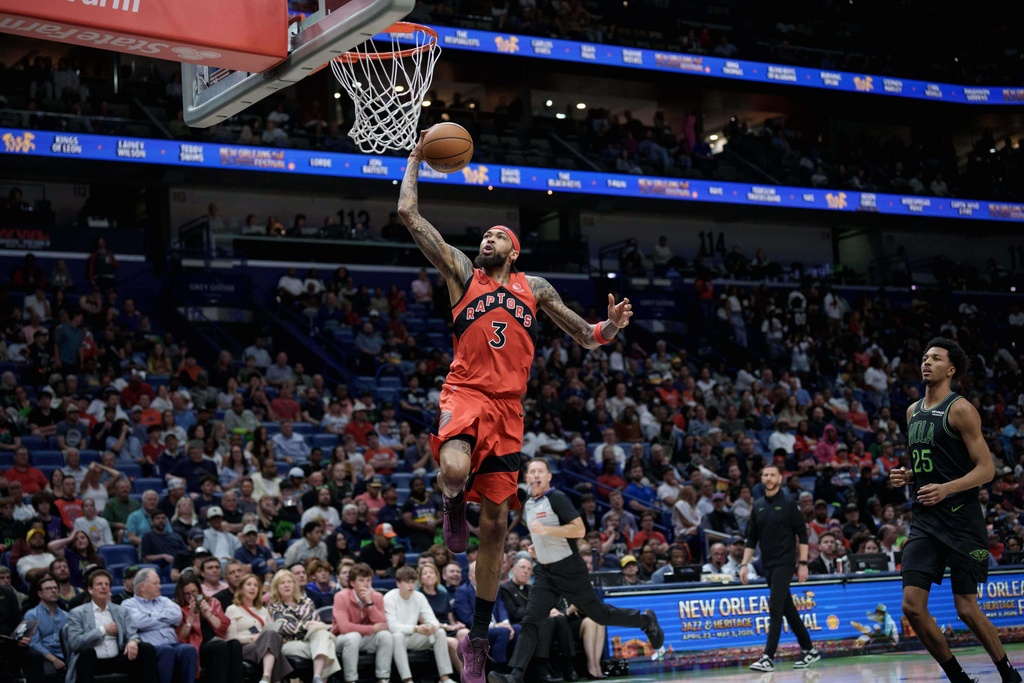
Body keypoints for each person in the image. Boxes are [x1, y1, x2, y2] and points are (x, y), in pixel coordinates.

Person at [399, 133, 634, 683]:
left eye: (495, 235)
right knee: (453, 468)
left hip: (508, 410)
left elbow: (585, 335)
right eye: (483, 235)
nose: (485, 238)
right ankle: (451, 499)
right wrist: (416, 158)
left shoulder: (536, 288)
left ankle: (478, 640)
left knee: (499, 526)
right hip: (465, 392)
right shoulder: (461, 272)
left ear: (513, 249)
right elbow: (408, 212)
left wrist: (611, 327)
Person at [890, 338, 1022, 683]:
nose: (926, 362)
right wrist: (909, 473)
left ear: (951, 370)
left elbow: (986, 469)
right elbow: (933, 461)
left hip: (962, 518)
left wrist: (946, 488)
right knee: (911, 607)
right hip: (925, 519)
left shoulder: (960, 408)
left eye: (935, 358)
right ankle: (958, 678)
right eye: (924, 357)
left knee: (966, 608)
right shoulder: (912, 411)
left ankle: (1008, 674)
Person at [488, 459, 662, 683]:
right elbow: (547, 538)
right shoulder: (530, 504)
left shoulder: (557, 498)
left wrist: (547, 531)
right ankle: (515, 676)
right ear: (527, 479)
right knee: (532, 621)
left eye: (541, 471)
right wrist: (537, 549)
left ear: (549, 477)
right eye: (532, 472)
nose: (536, 475)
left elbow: (579, 530)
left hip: (570, 569)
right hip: (546, 573)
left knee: (600, 614)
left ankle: (645, 621)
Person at [740, 464, 819, 672]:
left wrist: (802, 564)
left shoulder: (789, 504)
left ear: (780, 478)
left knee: (775, 606)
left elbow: (802, 535)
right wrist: (744, 564)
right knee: (788, 609)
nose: (768, 478)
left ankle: (768, 657)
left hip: (785, 563)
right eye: (764, 474)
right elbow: (751, 538)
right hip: (768, 564)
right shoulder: (757, 505)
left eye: (772, 475)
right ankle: (809, 650)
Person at [65, 568, 160, 683]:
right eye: (99, 584)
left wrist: (133, 641)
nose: (104, 587)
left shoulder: (120, 610)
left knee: (146, 648)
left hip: (117, 658)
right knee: (86, 653)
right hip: (94, 661)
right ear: (90, 589)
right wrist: (103, 630)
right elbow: (75, 643)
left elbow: (132, 632)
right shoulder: (77, 613)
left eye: (107, 584)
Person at [122, 567, 199, 683]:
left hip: (173, 644)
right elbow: (139, 622)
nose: (160, 586)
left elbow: (177, 616)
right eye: (155, 583)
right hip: (152, 648)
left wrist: (149, 616)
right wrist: (164, 618)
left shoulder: (164, 600)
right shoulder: (128, 604)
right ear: (143, 587)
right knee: (166, 650)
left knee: (189, 649)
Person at [266, 569, 341, 683]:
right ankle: (320, 679)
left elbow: (317, 623)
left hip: (311, 641)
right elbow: (282, 627)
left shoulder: (307, 602)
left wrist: (312, 625)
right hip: (289, 644)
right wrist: (305, 625)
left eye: (289, 582)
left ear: (294, 584)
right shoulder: (274, 606)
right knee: (327, 645)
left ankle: (317, 676)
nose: (287, 585)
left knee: (322, 634)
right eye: (282, 583)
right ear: (276, 587)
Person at [384, 565, 455, 683]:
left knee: (440, 632)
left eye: (413, 582)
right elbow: (392, 626)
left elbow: (433, 620)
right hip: (395, 640)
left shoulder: (419, 596)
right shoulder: (390, 597)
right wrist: (416, 628)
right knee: (397, 636)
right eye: (407, 582)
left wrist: (431, 627)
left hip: (413, 638)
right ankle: (407, 679)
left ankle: (445, 678)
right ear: (398, 583)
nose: (411, 585)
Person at [173, 572, 244, 683]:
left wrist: (208, 614)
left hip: (217, 641)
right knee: (220, 646)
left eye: (194, 592)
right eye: (187, 594)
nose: (191, 596)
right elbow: (181, 637)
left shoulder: (212, 602)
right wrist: (191, 617)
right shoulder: (177, 608)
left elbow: (222, 628)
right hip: (197, 646)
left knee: (235, 644)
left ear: (199, 590)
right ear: (181, 594)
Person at [332, 562, 395, 683]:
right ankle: (351, 680)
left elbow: (381, 625)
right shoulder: (341, 597)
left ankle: (383, 678)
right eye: (361, 580)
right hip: (341, 639)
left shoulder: (376, 597)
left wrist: (370, 604)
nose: (366, 584)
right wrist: (371, 629)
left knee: (386, 636)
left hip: (365, 639)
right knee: (353, 637)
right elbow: (344, 627)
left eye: (369, 580)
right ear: (352, 583)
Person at [225, 573, 293, 683]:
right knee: (275, 651)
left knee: (271, 635)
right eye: (249, 584)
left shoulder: (263, 610)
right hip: (243, 648)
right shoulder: (232, 609)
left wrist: (262, 638)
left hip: (263, 645)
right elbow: (230, 638)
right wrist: (252, 638)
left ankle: (266, 677)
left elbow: (271, 632)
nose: (253, 588)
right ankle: (271, 678)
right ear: (241, 588)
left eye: (256, 585)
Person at [23, 574, 69, 683]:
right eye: (48, 588)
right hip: (44, 657)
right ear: (40, 593)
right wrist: (54, 659)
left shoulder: (67, 615)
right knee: (50, 675)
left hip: (65, 655)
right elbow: (34, 643)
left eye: (55, 588)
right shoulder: (31, 615)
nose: (53, 591)